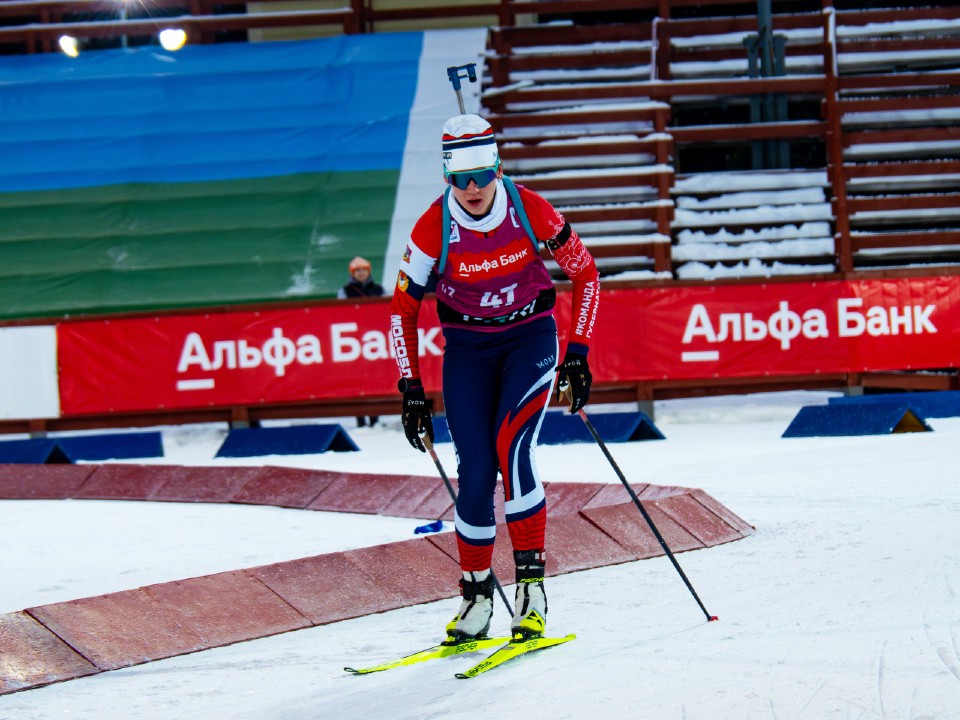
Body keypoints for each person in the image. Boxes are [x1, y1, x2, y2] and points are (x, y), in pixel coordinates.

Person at [389, 114, 599, 642]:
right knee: (477, 470)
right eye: (460, 178)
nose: (474, 188)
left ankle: (531, 591)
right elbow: (401, 312)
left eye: (482, 174)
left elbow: (586, 274)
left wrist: (578, 353)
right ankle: (476, 597)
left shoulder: (530, 208)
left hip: (529, 339)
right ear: (446, 177)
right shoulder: (431, 227)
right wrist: (410, 389)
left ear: (498, 167)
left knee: (513, 450)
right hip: (468, 350)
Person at [338, 256, 384, 427]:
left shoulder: (379, 289)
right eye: (357, 270)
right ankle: (360, 419)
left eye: (364, 269)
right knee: (356, 378)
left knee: (375, 376)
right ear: (352, 273)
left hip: (375, 340)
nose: (361, 273)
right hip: (354, 340)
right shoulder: (345, 292)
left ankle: (375, 418)